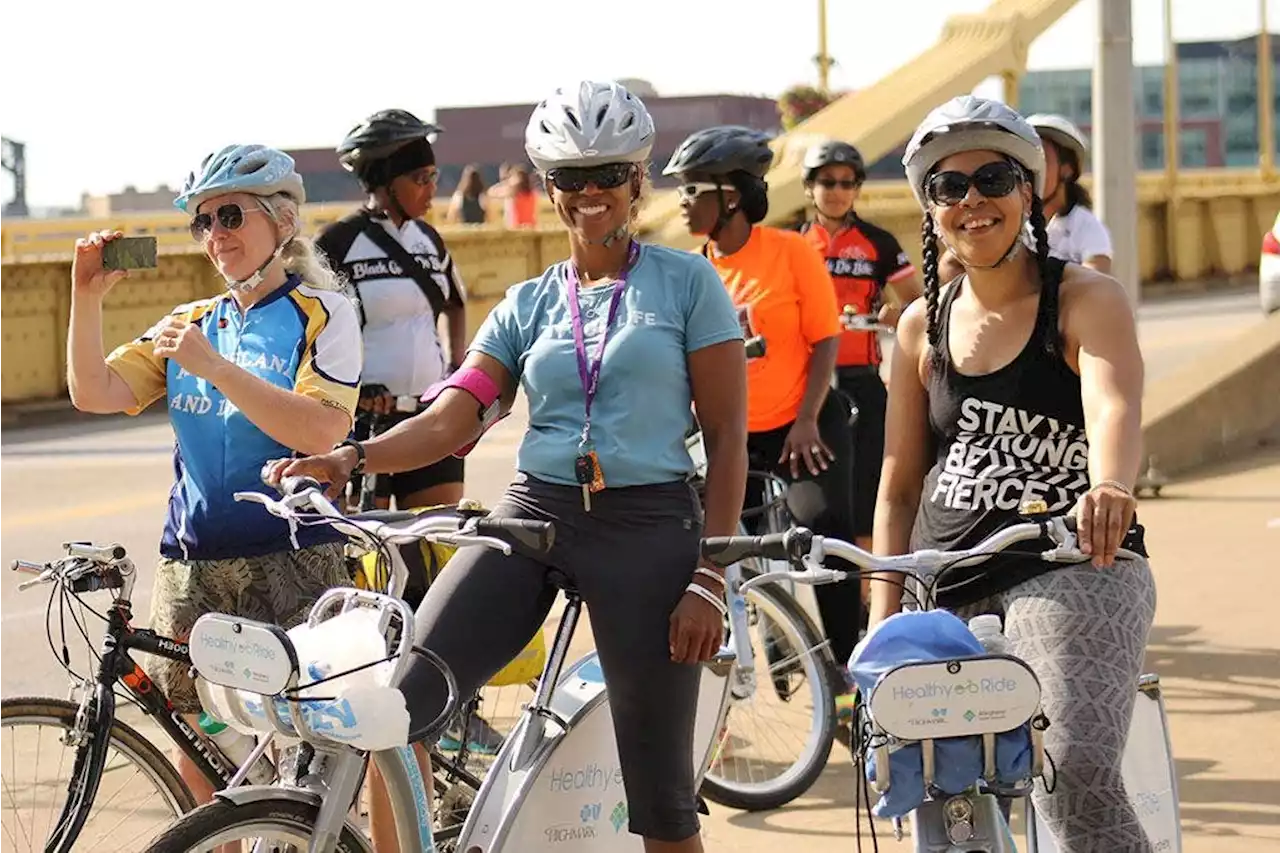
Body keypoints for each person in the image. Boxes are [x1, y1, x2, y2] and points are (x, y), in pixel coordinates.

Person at [268, 79, 748, 853]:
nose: (589, 193)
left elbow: (728, 438)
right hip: (536, 513)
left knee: (661, 799)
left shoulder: (688, 284)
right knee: (405, 699)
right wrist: (348, 457)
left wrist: (709, 577)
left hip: (651, 524)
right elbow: (454, 419)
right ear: (548, 187)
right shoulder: (529, 303)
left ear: (637, 179)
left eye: (607, 174)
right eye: (569, 177)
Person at [871, 95, 1155, 852]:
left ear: (1028, 192)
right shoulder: (917, 326)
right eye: (949, 186)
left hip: (1072, 560)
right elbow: (900, 480)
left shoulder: (1085, 297)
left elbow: (1114, 405)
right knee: (933, 793)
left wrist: (1112, 487)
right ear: (930, 207)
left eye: (994, 178)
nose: (973, 201)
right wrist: (881, 615)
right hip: (943, 576)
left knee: (1077, 775)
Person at [65, 145, 360, 814]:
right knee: (192, 735)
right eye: (202, 222)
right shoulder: (191, 323)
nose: (215, 235)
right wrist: (84, 298)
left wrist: (218, 369)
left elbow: (320, 431)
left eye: (230, 215)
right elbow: (94, 390)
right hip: (193, 562)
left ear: (282, 221)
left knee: (305, 746)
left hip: (294, 558)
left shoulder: (323, 312)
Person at [664, 125, 864, 712]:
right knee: (723, 543)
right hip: (733, 434)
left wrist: (806, 421)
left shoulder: (789, 251)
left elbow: (824, 338)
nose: (680, 201)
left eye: (692, 189)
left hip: (802, 422)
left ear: (730, 197)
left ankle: (850, 669)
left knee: (824, 531)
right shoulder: (691, 272)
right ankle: (777, 629)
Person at [315, 109, 468, 514]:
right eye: (421, 179)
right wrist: (348, 392)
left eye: (434, 176)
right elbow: (311, 330)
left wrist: (454, 369)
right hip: (367, 425)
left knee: (437, 549)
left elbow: (454, 302)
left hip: (431, 419)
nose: (432, 188)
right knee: (373, 556)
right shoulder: (338, 242)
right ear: (385, 183)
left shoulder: (430, 240)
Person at [795, 138, 923, 606]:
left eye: (847, 182)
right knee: (821, 502)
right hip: (804, 387)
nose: (837, 191)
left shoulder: (879, 243)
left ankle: (869, 596)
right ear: (810, 188)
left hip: (863, 381)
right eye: (827, 182)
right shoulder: (793, 246)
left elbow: (916, 303)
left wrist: (895, 316)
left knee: (871, 489)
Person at [1026, 113, 1113, 273]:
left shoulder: (1087, 228)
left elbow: (1094, 285)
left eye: (1041, 161)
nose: (1032, 172)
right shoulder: (1014, 224)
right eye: (1026, 162)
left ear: (1067, 170)